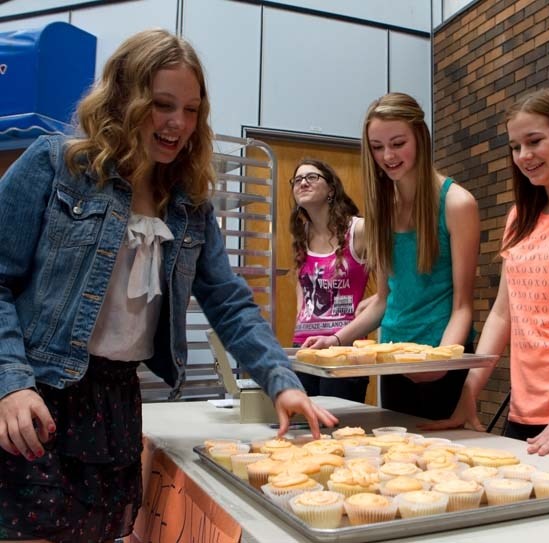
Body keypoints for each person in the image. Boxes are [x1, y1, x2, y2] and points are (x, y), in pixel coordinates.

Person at [0, 29, 336, 542]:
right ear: (122, 99)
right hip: (38, 395)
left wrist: (281, 380)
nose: (178, 123)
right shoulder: (55, 165)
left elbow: (229, 302)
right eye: (161, 105)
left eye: (191, 109)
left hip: (115, 401)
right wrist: (11, 383)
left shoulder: (188, 203)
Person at [422, 88, 549, 457]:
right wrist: (469, 390)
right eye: (515, 147)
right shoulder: (520, 217)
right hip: (525, 405)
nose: (524, 156)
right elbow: (503, 312)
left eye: (534, 141)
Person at [303, 92, 480, 420]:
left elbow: (462, 307)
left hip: (442, 355)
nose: (388, 156)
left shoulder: (457, 204)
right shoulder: (381, 210)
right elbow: (384, 301)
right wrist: (337, 339)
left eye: (398, 143)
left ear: (421, 138)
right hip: (393, 358)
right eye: (377, 146)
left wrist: (439, 361)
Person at [289, 158, 370, 402]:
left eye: (312, 177)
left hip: (344, 347)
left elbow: (396, 286)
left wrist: (372, 303)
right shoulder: (301, 235)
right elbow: (303, 289)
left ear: (331, 189)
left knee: (339, 430)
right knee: (305, 429)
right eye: (297, 179)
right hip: (305, 348)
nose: (303, 182)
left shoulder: (360, 230)